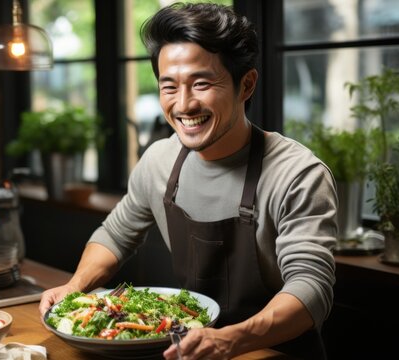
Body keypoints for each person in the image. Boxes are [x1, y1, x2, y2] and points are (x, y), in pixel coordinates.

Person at [39, 3, 337, 359]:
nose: (184, 105)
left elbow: (311, 287)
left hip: (273, 351)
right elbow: (115, 236)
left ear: (246, 85)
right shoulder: (159, 161)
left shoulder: (298, 174)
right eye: (169, 86)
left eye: (201, 84)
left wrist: (230, 340)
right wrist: (75, 288)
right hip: (188, 351)